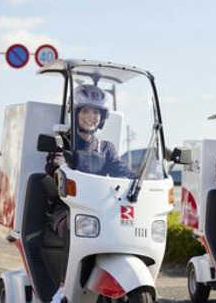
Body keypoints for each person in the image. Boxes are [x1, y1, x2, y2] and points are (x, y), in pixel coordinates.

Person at [45, 84, 133, 302]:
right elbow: (56, 165)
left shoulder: (106, 148)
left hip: (98, 209)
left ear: (102, 117)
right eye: (85, 111)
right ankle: (63, 288)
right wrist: (61, 166)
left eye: (96, 112)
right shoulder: (62, 141)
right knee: (73, 227)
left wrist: (141, 177)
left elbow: (123, 171)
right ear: (75, 114)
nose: (90, 117)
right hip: (65, 208)